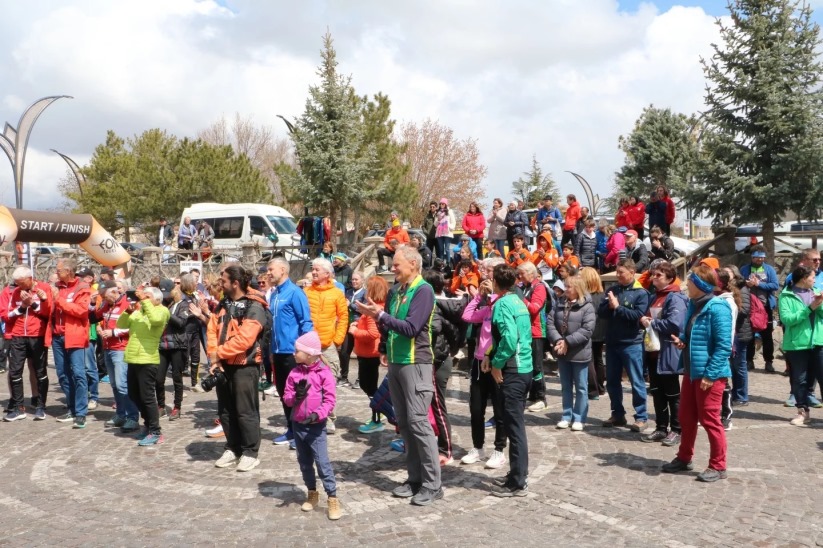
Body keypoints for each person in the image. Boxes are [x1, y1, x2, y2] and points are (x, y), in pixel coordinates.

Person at [356, 246, 442, 506]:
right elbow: (390, 324)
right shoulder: (396, 291)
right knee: (404, 424)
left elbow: (411, 328)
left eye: (397, 265)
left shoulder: (423, 290)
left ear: (414, 264)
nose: (392, 269)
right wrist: (382, 340)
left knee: (418, 423)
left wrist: (380, 315)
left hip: (417, 363)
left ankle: (432, 484)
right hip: (395, 362)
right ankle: (414, 479)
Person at [662, 265, 732, 482]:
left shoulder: (718, 308)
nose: (685, 286)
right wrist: (683, 340)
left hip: (710, 376)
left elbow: (723, 346)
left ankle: (718, 466)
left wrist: (710, 375)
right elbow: (691, 332)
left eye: (689, 282)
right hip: (692, 373)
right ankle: (684, 457)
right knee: (686, 416)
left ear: (700, 286)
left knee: (710, 420)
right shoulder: (694, 304)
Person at [209, 265, 268, 471]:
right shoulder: (223, 304)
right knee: (225, 411)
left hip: (245, 366)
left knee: (246, 411)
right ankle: (233, 448)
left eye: (224, 280)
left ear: (235, 283)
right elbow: (212, 330)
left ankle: (250, 452)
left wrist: (219, 354)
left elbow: (245, 340)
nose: (220, 283)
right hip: (223, 365)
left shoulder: (255, 306)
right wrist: (214, 360)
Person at [282, 330, 341, 521]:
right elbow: (287, 398)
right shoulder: (293, 373)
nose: (293, 353)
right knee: (305, 463)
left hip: (316, 427)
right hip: (299, 425)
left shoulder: (324, 373)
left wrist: (318, 414)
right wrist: (294, 397)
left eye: (297, 351)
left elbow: (330, 400)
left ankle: (332, 497)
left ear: (309, 354)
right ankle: (312, 493)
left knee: (322, 463)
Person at [487, 264, 533, 497]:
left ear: (496, 282)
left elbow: (509, 337)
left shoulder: (503, 303)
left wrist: (496, 362)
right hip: (524, 368)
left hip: (512, 369)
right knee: (514, 423)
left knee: (514, 427)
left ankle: (518, 481)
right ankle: (516, 473)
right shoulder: (519, 301)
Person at [461, 259, 508, 469]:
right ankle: (477, 447)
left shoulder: (504, 301)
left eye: (490, 272)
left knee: (500, 409)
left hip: (497, 362)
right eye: (486, 272)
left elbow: (503, 303)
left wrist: (492, 296)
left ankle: (499, 450)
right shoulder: (487, 307)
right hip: (479, 361)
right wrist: (479, 296)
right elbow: (467, 315)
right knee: (476, 408)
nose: (487, 276)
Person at [267, 257, 314, 448]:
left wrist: (305, 350)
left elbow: (306, 322)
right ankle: (291, 429)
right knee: (283, 393)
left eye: (271, 270)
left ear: (283, 270)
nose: (268, 273)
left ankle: (302, 433)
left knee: (298, 393)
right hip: (277, 352)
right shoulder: (275, 294)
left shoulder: (295, 292)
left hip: (292, 353)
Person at [598, 258, 650, 431]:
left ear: (632, 273)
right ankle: (618, 414)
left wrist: (618, 307)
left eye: (621, 272)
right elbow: (602, 312)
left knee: (636, 381)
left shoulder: (641, 293)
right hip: (612, 342)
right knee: (612, 381)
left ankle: (641, 417)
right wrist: (611, 306)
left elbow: (637, 316)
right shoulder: (613, 289)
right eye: (617, 272)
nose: (618, 275)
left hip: (631, 343)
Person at [639, 261, 687, 445]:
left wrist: (651, 323)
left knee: (672, 394)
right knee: (657, 393)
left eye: (658, 275)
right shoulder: (654, 296)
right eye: (653, 274)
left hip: (668, 351)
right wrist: (643, 320)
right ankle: (660, 428)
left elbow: (675, 323)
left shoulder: (675, 297)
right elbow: (645, 317)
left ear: (669, 277)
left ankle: (676, 429)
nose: (654, 278)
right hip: (653, 352)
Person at [116, 286, 171, 446]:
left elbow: (156, 321)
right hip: (133, 358)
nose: (143, 298)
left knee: (147, 397)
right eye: (143, 296)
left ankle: (155, 431)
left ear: (157, 299)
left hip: (148, 359)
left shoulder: (162, 311)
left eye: (147, 296)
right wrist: (128, 311)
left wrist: (144, 301)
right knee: (133, 395)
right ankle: (148, 424)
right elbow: (121, 324)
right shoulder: (140, 311)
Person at [546, 275, 595, 431]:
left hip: (579, 352)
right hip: (562, 351)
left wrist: (568, 342)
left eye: (569, 287)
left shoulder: (587, 306)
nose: (565, 289)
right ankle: (566, 415)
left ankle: (579, 417)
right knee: (565, 386)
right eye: (565, 286)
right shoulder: (559, 303)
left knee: (581, 387)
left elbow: (587, 330)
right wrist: (559, 340)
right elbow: (550, 323)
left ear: (578, 288)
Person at [2, 266, 52, 422]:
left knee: (39, 371)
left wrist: (35, 303)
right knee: (14, 371)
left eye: (22, 282)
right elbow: (6, 315)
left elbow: (49, 313)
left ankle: (40, 406)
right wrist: (22, 307)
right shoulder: (15, 292)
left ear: (30, 278)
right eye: (16, 283)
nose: (19, 286)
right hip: (17, 336)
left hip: (37, 335)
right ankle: (18, 407)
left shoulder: (44, 288)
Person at [304, 258, 348, 430]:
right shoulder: (306, 292)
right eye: (313, 269)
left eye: (317, 270)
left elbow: (343, 317)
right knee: (311, 381)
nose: (314, 272)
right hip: (309, 344)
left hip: (327, 343)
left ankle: (328, 414)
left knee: (331, 379)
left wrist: (337, 339)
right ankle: (316, 413)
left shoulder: (337, 293)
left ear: (327, 274)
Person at [425, 270, 463, 466]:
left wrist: (447, 351)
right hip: (439, 357)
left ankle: (446, 450)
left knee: (438, 406)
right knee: (430, 405)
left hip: (437, 360)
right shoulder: (443, 304)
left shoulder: (437, 306)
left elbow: (446, 330)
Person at [778, 264, 823, 426]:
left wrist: (820, 303)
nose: (815, 280)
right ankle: (803, 412)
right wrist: (810, 308)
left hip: (818, 342)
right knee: (800, 380)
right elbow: (788, 319)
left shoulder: (815, 292)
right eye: (812, 277)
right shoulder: (786, 296)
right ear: (804, 279)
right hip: (797, 345)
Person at [95, 280, 140, 431]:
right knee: (114, 385)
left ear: (114, 292)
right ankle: (120, 414)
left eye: (105, 296)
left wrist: (114, 333)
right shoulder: (108, 305)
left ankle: (132, 417)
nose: (103, 299)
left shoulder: (127, 305)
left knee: (122, 385)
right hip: (108, 348)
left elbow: (134, 326)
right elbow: (97, 318)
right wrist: (100, 328)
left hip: (121, 348)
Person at [52, 258, 91, 428]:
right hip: (57, 336)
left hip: (74, 335)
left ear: (69, 271)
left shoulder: (82, 288)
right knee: (62, 374)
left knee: (79, 374)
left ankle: (81, 412)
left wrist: (59, 300)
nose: (56, 272)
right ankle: (72, 407)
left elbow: (81, 311)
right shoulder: (57, 287)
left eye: (59, 270)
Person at [351, 276, 387, 433]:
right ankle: (380, 411)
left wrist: (355, 331)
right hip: (366, 353)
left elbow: (373, 334)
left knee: (369, 386)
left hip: (370, 353)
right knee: (368, 385)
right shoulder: (376, 307)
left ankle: (377, 418)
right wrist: (357, 323)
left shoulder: (375, 308)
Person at [157, 282, 192, 421]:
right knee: (158, 379)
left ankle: (177, 407)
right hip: (162, 345)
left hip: (177, 345)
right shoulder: (162, 303)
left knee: (177, 378)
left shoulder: (183, 304)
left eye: (168, 294)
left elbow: (181, 323)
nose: (166, 297)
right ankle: (161, 406)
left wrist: (165, 312)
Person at [741, 245, 779, 372]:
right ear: (752, 257)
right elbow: (737, 283)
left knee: (767, 335)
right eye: (757, 258)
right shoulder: (745, 269)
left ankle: (769, 361)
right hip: (749, 306)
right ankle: (749, 361)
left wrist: (759, 284)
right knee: (749, 335)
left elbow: (775, 285)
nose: (760, 260)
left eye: (762, 258)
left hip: (765, 306)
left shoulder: (769, 270)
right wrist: (746, 283)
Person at [517, 262, 548, 412]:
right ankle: (533, 395)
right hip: (526, 331)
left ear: (531, 273)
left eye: (522, 274)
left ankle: (541, 397)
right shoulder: (526, 287)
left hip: (536, 331)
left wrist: (520, 298)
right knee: (529, 364)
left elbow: (535, 308)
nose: (520, 277)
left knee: (537, 365)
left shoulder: (539, 287)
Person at [724, 265, 753, 407]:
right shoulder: (726, 289)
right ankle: (735, 393)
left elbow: (744, 310)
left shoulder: (742, 288)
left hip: (740, 332)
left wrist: (729, 315)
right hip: (732, 331)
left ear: (735, 274)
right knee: (733, 365)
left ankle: (742, 396)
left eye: (727, 272)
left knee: (739, 365)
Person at [580, 267, 606, 398]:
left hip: (589, 330)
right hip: (601, 331)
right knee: (598, 359)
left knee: (590, 360)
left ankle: (593, 389)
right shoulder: (603, 295)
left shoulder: (585, 297)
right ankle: (600, 387)